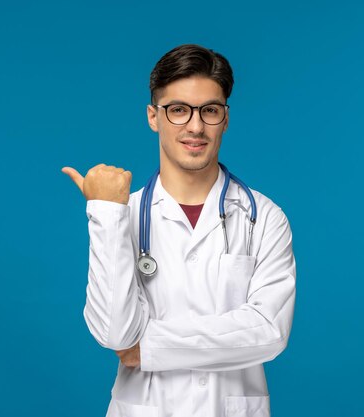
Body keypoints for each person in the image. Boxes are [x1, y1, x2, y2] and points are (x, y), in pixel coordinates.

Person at [62, 44, 296, 417]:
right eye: (178, 110)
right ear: (153, 116)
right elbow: (114, 334)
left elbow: (269, 331)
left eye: (210, 110)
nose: (195, 126)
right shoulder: (126, 213)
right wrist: (106, 213)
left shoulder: (263, 217)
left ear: (226, 117)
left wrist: (152, 346)